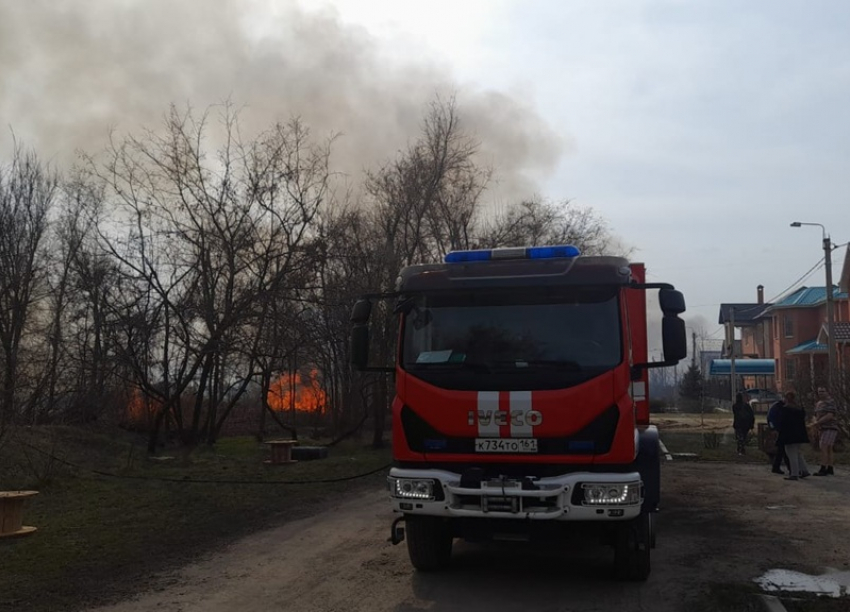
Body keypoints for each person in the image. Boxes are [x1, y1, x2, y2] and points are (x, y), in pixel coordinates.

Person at [776, 391, 810, 480]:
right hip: (799, 435)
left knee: (791, 455)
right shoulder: (800, 409)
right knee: (798, 453)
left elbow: (782, 423)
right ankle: (804, 470)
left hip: (789, 435)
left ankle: (794, 473)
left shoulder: (785, 409)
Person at [812, 386, 839, 476]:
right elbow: (815, 414)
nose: (821, 393)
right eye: (819, 392)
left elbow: (830, 415)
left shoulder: (830, 402)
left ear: (827, 392)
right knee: (828, 448)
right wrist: (815, 422)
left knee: (824, 447)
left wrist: (818, 422)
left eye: (823, 391)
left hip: (830, 427)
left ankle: (823, 468)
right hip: (822, 428)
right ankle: (830, 468)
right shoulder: (819, 403)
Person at [767, 397, 791, 474]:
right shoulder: (778, 407)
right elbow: (770, 417)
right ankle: (790, 468)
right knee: (783, 449)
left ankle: (776, 467)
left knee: (782, 449)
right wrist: (773, 428)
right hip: (779, 430)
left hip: (781, 430)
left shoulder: (779, 406)